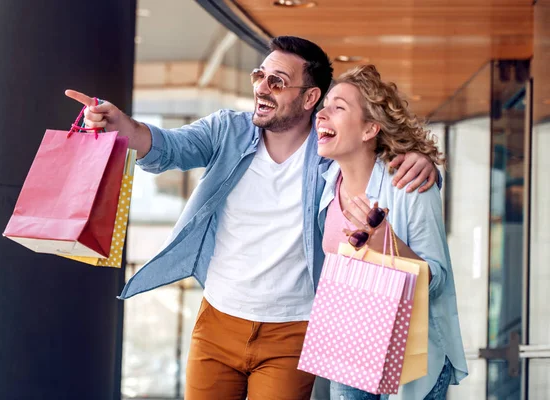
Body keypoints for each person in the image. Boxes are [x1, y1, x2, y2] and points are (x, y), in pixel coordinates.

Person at [65, 36, 438, 400]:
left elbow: (374, 153)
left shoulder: (327, 150)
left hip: (293, 331)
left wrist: (427, 166)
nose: (262, 87)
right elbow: (170, 147)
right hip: (217, 320)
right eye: (260, 75)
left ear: (310, 97)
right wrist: (124, 128)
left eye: (277, 82)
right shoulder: (228, 130)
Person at [315, 64, 468, 400]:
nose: (322, 113)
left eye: (338, 107)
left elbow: (438, 278)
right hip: (347, 346)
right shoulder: (322, 183)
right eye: (324, 104)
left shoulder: (410, 185)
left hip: (409, 353)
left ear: (370, 128)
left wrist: (389, 244)